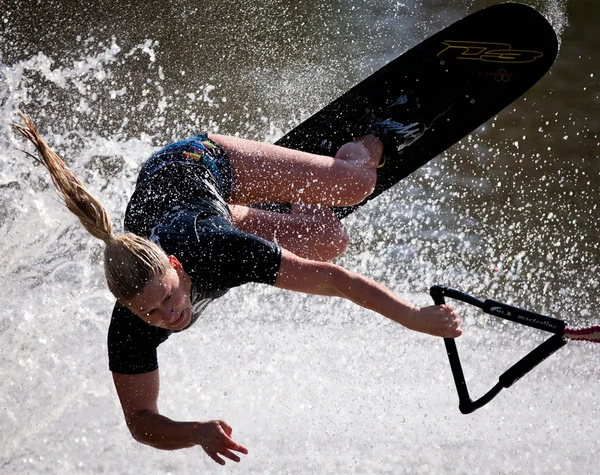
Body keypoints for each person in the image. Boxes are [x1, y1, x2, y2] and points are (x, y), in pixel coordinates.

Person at [13, 110, 461, 466]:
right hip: (209, 210)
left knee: (355, 184)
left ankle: (373, 133)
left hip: (198, 164)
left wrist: (414, 317)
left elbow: (333, 282)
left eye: (170, 296)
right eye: (151, 313)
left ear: (174, 266)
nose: (169, 316)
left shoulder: (218, 251)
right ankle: (299, 184)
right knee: (330, 242)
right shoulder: (129, 327)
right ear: (128, 309)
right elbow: (140, 422)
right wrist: (196, 432)